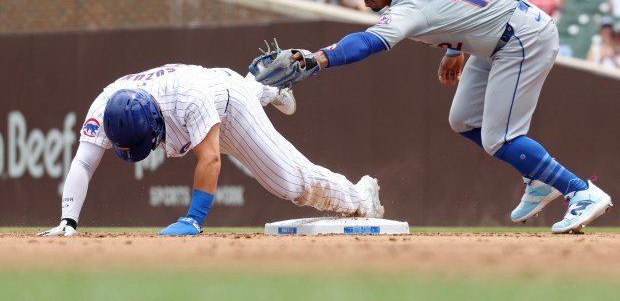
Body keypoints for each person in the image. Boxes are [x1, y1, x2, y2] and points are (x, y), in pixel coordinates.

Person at [264, 0, 613, 234]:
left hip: (521, 39)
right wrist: (455, 48)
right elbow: (466, 4)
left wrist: (317, 59)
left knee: (500, 138)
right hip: (499, 35)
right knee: (463, 119)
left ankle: (579, 191)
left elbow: (368, 42)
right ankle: (539, 178)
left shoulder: (410, 4)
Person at [37, 64, 384, 237]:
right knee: (287, 181)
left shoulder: (187, 98)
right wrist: (68, 221)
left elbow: (210, 158)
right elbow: (83, 163)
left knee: (291, 184)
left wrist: (193, 219)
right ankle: (262, 85)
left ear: (154, 119)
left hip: (228, 106)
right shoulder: (105, 104)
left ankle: (361, 197)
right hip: (209, 93)